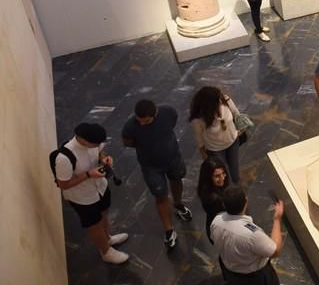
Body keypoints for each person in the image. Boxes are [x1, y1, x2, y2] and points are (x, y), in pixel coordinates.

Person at [53, 122, 129, 264]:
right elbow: (63, 184)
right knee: (94, 225)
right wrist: (88, 174)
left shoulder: (94, 143)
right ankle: (106, 252)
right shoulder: (63, 158)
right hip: (82, 198)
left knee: (104, 215)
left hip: (100, 187)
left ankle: (108, 238)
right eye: (95, 144)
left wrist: (104, 158)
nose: (98, 146)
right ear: (82, 139)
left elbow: (100, 152)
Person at [121, 99, 193, 250]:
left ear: (156, 114)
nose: (141, 124)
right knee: (160, 196)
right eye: (139, 121)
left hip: (173, 158)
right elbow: (127, 142)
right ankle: (169, 230)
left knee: (177, 180)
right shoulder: (130, 126)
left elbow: (174, 120)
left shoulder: (168, 111)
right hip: (151, 167)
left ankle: (179, 205)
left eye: (146, 121)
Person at [211, 186, 285, 285]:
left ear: (224, 204)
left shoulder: (216, 221)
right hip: (257, 280)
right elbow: (275, 250)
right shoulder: (252, 234)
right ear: (246, 201)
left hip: (234, 276)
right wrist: (277, 219)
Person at [190, 86, 242, 184]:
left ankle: (236, 191)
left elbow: (236, 113)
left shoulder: (225, 100)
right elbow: (199, 139)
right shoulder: (198, 119)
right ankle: (228, 194)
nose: (220, 100)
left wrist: (239, 129)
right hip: (215, 150)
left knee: (234, 172)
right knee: (224, 176)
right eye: (217, 100)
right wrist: (205, 157)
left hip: (233, 142)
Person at [197, 156, 231, 243]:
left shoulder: (216, 188)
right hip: (221, 231)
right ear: (208, 177)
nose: (222, 178)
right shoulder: (212, 199)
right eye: (217, 176)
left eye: (223, 173)